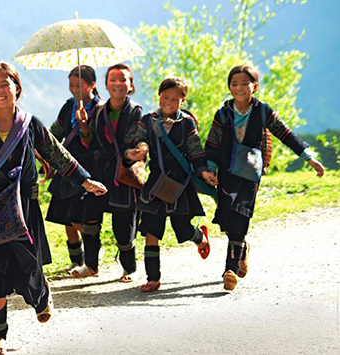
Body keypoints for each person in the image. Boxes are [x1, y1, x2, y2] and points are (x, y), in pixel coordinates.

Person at [0, 62, 107, 355]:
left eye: (5, 84)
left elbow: (56, 154)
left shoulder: (30, 124)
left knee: (28, 268)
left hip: (24, 209)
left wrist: (85, 181)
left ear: (17, 87)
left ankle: (41, 297)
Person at [204, 65, 325, 291]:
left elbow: (286, 134)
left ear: (255, 87)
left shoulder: (263, 111)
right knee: (228, 218)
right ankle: (242, 250)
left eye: (244, 83)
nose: (239, 88)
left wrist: (309, 157)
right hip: (226, 173)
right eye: (234, 84)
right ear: (229, 87)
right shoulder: (223, 114)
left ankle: (230, 269)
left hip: (250, 174)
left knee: (241, 216)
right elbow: (212, 144)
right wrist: (209, 169)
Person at [127, 77, 214, 293]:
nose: (169, 102)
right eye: (165, 97)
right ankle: (153, 278)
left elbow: (195, 150)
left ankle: (200, 237)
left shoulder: (187, 123)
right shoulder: (147, 121)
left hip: (180, 185)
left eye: (175, 99)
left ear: (182, 100)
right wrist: (139, 149)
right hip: (156, 183)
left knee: (183, 229)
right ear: (159, 96)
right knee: (151, 230)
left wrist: (203, 171)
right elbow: (136, 141)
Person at [69, 63, 143, 281]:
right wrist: (83, 126)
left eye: (123, 79)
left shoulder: (135, 111)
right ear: (106, 84)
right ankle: (91, 266)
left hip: (123, 174)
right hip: (100, 172)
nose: (118, 84)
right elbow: (89, 143)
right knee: (90, 219)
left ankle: (129, 268)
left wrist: (134, 153)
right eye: (113, 80)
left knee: (123, 226)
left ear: (130, 85)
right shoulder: (99, 111)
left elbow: (137, 139)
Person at [45, 65, 102, 272]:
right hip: (66, 164)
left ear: (92, 85)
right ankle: (76, 260)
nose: (74, 89)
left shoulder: (100, 109)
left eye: (78, 85)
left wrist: (84, 126)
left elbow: (94, 140)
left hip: (88, 167)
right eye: (71, 85)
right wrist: (44, 148)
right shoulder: (68, 106)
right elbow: (56, 131)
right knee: (64, 217)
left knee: (76, 215)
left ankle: (93, 252)